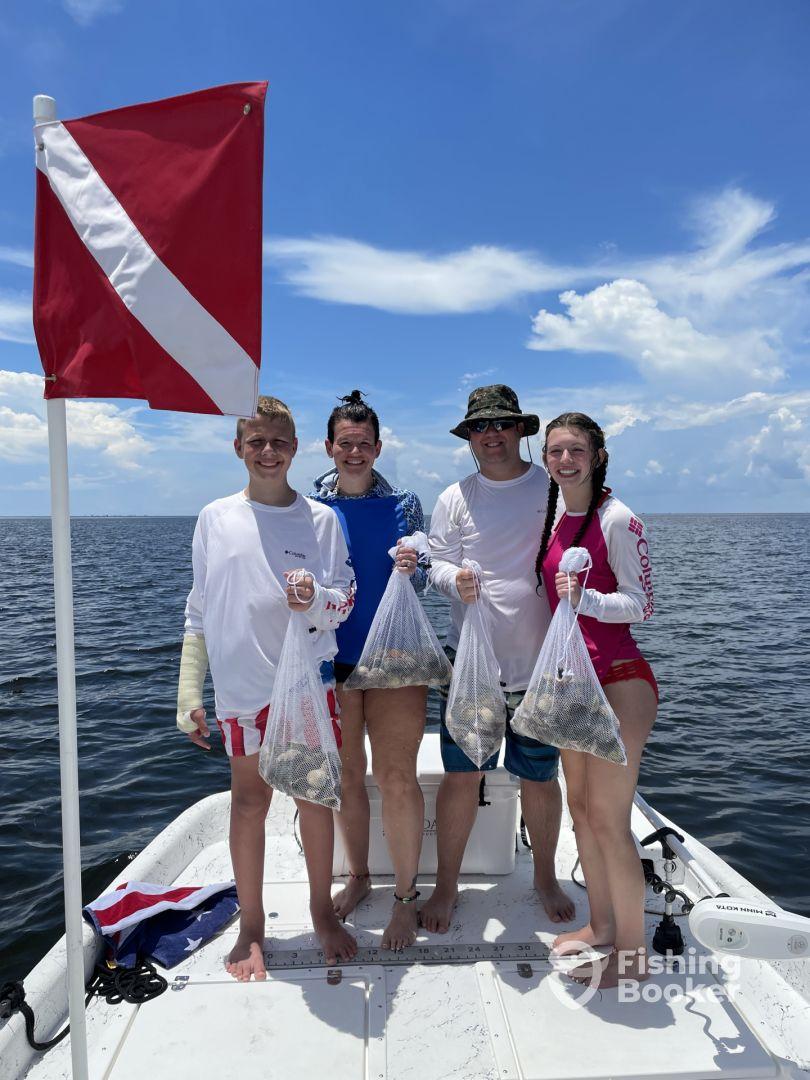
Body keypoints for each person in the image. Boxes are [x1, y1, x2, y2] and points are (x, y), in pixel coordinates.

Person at [176, 395, 358, 981]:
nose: (268, 451)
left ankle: (320, 912)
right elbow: (198, 607)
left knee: (314, 801)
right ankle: (252, 923)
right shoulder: (214, 517)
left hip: (306, 690)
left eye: (279, 441)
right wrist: (188, 691)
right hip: (239, 694)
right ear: (238, 448)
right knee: (250, 803)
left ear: (296, 448)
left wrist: (317, 600)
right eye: (256, 441)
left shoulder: (323, 520)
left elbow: (345, 601)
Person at [421, 384, 576, 933]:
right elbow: (434, 564)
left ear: (520, 431)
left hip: (542, 666)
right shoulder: (454, 497)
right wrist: (452, 579)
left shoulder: (554, 488)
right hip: (471, 667)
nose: (491, 435)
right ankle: (444, 888)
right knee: (461, 777)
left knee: (540, 777)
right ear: (469, 438)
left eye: (501, 425)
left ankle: (545, 876)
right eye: (480, 428)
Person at [535, 412, 657, 988]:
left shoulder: (618, 518)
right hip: (571, 684)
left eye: (575, 450)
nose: (564, 460)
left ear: (597, 454)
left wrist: (589, 601)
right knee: (581, 812)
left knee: (609, 820)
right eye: (555, 451)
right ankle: (603, 925)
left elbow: (642, 604)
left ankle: (632, 958)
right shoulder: (557, 515)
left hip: (620, 680)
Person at [310, 390, 428, 951]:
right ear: (329, 446)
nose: (354, 452)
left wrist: (416, 565)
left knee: (398, 777)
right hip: (329, 661)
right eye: (345, 443)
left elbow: (424, 579)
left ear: (378, 448)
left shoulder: (406, 505)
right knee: (346, 778)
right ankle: (358, 876)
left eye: (364, 443)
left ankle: (405, 898)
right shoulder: (307, 506)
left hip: (397, 659)